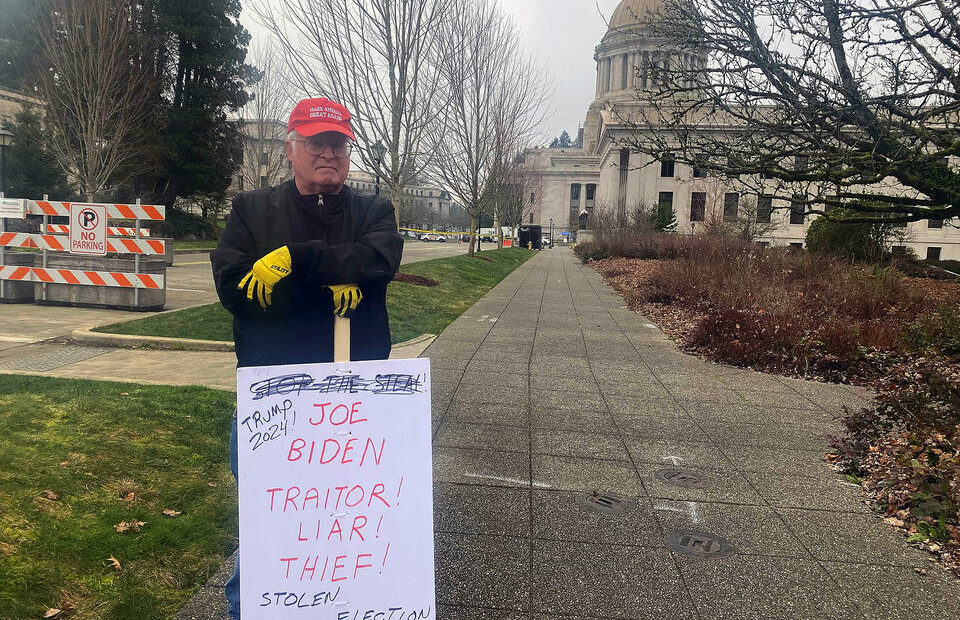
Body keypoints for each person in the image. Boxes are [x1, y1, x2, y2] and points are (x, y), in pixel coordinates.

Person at [210, 96, 403, 619]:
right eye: (317, 143)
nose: (329, 154)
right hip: (273, 392)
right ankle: (249, 607)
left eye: (339, 145)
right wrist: (336, 277)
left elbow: (380, 260)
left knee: (347, 515)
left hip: (352, 395)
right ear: (289, 148)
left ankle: (345, 603)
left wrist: (297, 258)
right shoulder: (251, 211)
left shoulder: (373, 210)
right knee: (269, 511)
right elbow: (235, 289)